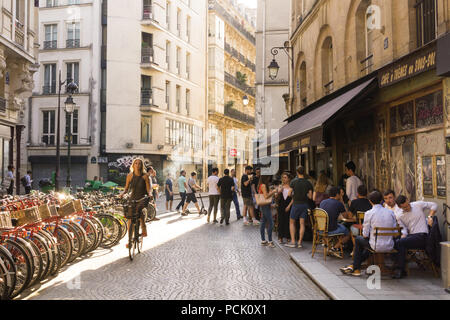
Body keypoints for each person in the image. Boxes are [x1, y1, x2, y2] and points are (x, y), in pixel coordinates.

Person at [340, 191, 398, 277]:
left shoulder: (369, 213)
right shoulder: (390, 213)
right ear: (382, 200)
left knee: (359, 239)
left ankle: (356, 267)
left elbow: (365, 234)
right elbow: (395, 232)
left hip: (375, 245)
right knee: (369, 242)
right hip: (390, 245)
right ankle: (355, 265)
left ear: (370, 201)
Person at [392, 196, 437, 279]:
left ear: (408, 200)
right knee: (395, 241)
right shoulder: (399, 215)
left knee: (399, 243)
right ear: (399, 207)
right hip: (412, 237)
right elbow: (404, 229)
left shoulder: (417, 205)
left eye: (408, 205)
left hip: (422, 236)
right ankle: (401, 268)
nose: (408, 207)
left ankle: (400, 269)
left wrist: (430, 216)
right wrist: (403, 236)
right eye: (405, 207)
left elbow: (434, 205)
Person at [119, 158, 151, 247]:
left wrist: (150, 194)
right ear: (133, 165)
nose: (137, 165)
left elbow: (148, 188)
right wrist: (122, 194)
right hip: (132, 198)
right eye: (136, 163)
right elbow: (126, 189)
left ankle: (143, 226)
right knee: (129, 217)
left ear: (141, 165)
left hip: (142, 198)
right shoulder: (129, 176)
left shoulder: (145, 176)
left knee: (139, 211)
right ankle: (129, 241)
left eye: (139, 163)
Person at [285, 166, 313, 249]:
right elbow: (310, 196)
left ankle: (293, 241)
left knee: (292, 222)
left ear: (297, 172)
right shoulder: (308, 182)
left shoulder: (293, 182)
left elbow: (289, 194)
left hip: (296, 204)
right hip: (305, 205)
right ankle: (300, 242)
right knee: (302, 224)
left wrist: (295, 194)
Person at [319, 187, 351, 257]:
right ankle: (335, 248)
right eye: (340, 194)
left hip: (320, 229)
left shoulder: (322, 202)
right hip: (331, 229)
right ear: (337, 195)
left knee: (339, 225)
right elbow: (346, 216)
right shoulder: (338, 204)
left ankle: (330, 247)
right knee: (348, 233)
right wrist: (342, 201)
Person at [258, 175, 277, 247]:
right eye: (268, 177)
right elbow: (266, 196)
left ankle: (263, 240)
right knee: (271, 223)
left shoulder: (261, 185)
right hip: (265, 206)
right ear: (266, 177)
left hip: (263, 205)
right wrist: (273, 192)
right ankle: (270, 241)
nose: (269, 178)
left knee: (263, 222)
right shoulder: (263, 185)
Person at [275, 172, 293, 244]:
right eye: (283, 177)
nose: (284, 179)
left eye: (285, 177)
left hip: (289, 204)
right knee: (281, 220)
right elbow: (276, 196)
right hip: (281, 204)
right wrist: (279, 191)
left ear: (289, 179)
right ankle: (280, 237)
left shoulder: (291, 187)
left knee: (288, 220)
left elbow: (293, 198)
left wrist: (289, 206)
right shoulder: (280, 186)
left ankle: (288, 236)